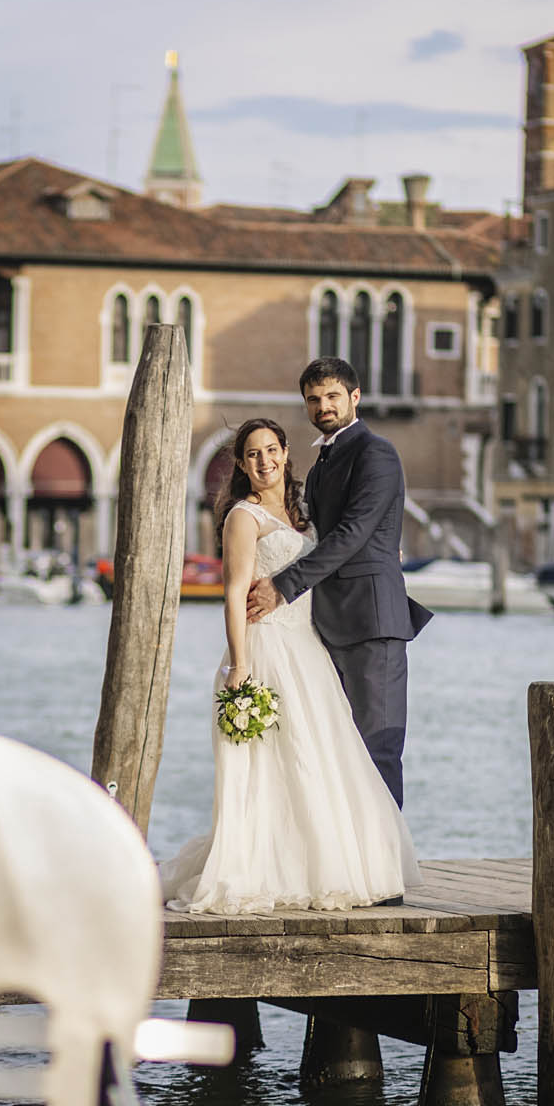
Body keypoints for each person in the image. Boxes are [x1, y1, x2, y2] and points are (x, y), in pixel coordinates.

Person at [160, 417, 421, 914]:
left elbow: (349, 538)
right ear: (241, 464)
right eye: (253, 454)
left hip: (308, 648)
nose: (265, 461)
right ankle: (261, 868)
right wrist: (239, 665)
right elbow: (234, 593)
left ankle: (318, 867)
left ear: (285, 452)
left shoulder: (303, 511)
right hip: (264, 649)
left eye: (272, 450)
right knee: (270, 767)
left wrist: (389, 549)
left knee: (316, 762)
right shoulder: (244, 516)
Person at [246, 356, 432, 808]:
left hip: (372, 623)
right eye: (313, 399)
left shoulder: (376, 453)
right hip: (327, 625)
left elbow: (354, 532)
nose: (323, 406)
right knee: (340, 754)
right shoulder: (321, 464)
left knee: (377, 750)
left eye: (332, 397)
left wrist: (282, 586)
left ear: (354, 397)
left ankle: (387, 869)